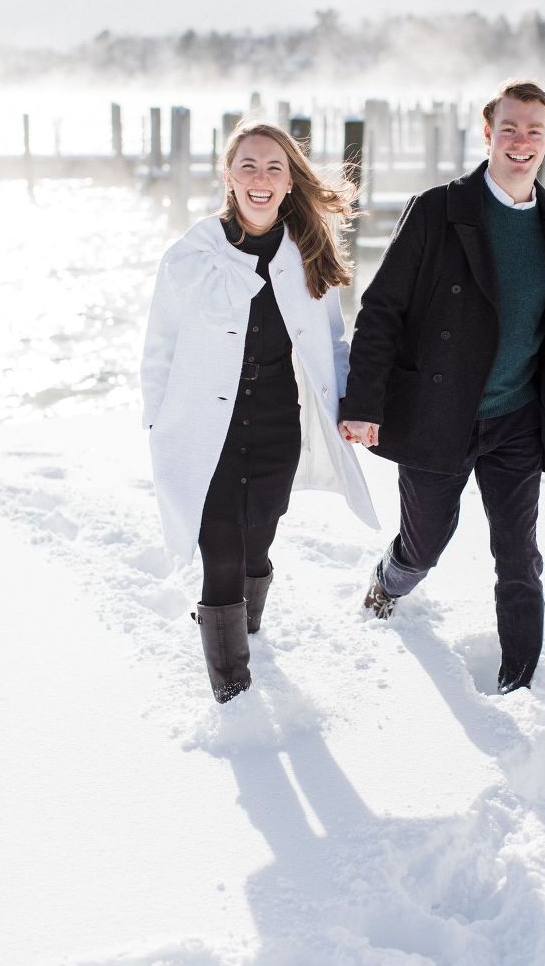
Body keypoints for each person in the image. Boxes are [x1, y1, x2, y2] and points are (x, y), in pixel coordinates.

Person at [339, 79, 545, 695]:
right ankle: (388, 581)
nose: (520, 141)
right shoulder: (437, 209)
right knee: (425, 546)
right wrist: (365, 401)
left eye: (534, 129)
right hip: (437, 414)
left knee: (518, 553)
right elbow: (382, 308)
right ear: (488, 134)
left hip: (517, 418)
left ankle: (519, 682)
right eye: (509, 128)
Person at [142, 121, 378, 703]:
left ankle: (242, 631)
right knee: (219, 550)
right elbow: (159, 351)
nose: (261, 179)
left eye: (274, 168)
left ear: (290, 180)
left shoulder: (308, 252)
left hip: (278, 426)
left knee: (258, 542)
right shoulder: (191, 256)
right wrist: (158, 428)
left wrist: (350, 403)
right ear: (228, 175)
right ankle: (233, 691)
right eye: (248, 166)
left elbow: (332, 341)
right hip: (206, 432)